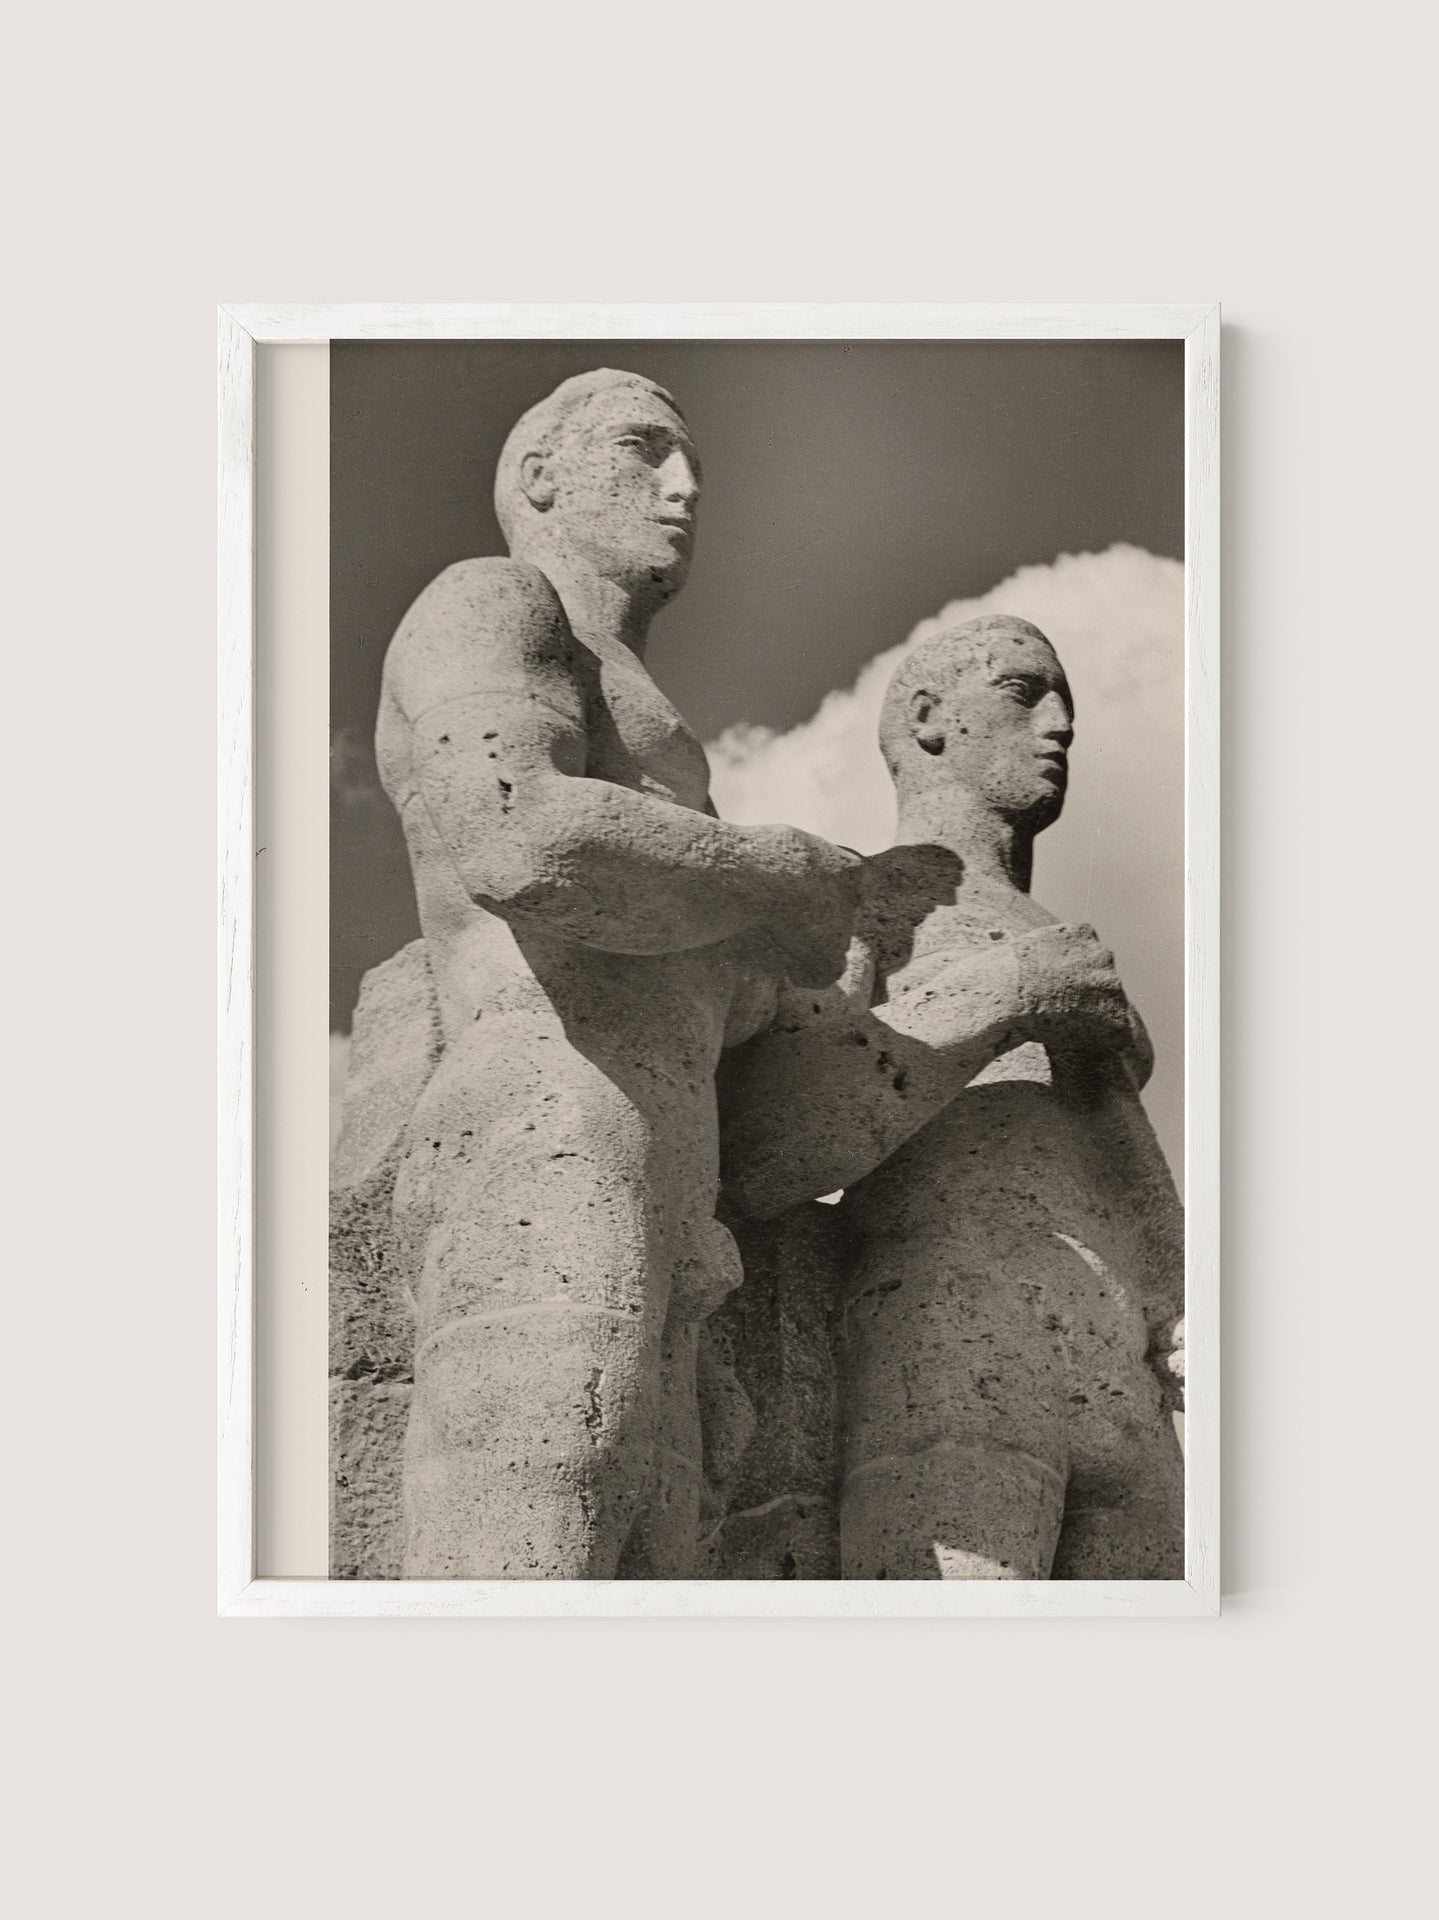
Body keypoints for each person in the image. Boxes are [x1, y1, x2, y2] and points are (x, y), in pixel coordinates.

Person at [377, 369, 860, 1578]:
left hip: (677, 1192)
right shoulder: (492, 602)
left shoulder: (660, 743)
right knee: (537, 1511)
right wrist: (775, 873)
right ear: (540, 477)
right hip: (551, 1121)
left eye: (687, 461)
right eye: (646, 452)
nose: (684, 488)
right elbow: (513, 830)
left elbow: (729, 1015)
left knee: (653, 1565)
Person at [719, 615, 1184, 1579]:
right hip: (955, 1324)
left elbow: (1126, 1163)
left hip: (1122, 1368)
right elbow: (767, 1148)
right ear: (928, 718)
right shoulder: (865, 903)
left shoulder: (1059, 932)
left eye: (1065, 705)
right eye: (1023, 694)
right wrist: (1009, 1000)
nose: (1058, 726)